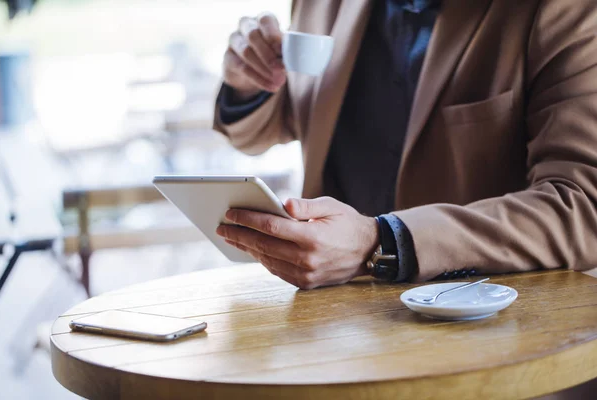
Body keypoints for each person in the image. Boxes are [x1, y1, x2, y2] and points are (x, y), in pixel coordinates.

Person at [212, 0, 597, 291]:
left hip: (487, 333)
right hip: (331, 325)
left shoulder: (561, 10)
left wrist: (382, 242)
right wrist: (247, 82)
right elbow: (266, 130)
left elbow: (583, 207)